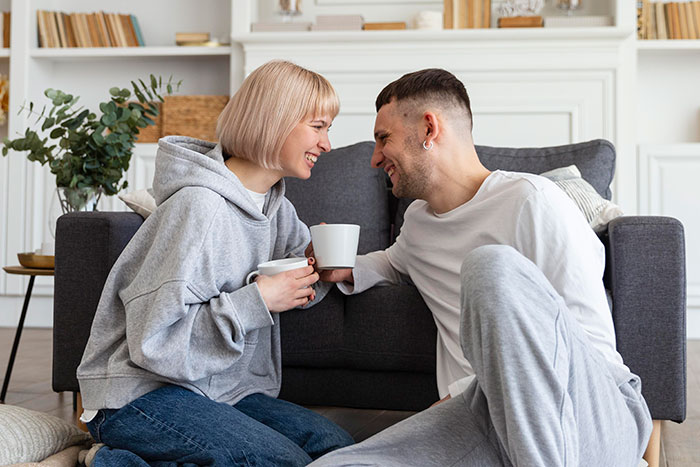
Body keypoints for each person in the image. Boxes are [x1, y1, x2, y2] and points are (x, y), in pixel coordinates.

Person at [309, 69, 652, 466]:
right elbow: (392, 261)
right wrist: (343, 267)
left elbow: (590, 341)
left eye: (383, 139)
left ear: (429, 128)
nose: (374, 158)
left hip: (590, 411)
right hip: (484, 419)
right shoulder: (418, 222)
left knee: (490, 267)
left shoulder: (532, 201)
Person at [76, 60, 354, 466]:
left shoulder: (277, 208)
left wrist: (320, 270)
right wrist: (256, 301)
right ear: (273, 121)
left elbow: (296, 283)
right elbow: (153, 343)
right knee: (283, 462)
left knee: (338, 450)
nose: (327, 144)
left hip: (222, 391)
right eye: (318, 126)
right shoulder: (198, 207)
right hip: (138, 394)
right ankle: (109, 461)